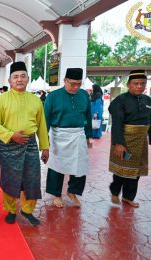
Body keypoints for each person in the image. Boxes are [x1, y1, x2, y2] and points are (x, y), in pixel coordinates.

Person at [0, 62, 49, 226]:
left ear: (28, 79)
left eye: (23, 76)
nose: (19, 79)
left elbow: (42, 125)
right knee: (10, 178)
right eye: (16, 77)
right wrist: (10, 135)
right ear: (10, 80)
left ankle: (27, 210)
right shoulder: (2, 99)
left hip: (29, 144)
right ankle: (10, 210)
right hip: (9, 144)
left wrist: (45, 147)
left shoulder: (35, 100)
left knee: (32, 178)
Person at [108, 70, 151, 208]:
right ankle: (115, 191)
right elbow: (117, 124)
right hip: (125, 139)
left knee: (136, 171)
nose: (139, 86)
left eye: (142, 83)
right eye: (136, 83)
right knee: (122, 170)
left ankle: (128, 197)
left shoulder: (148, 100)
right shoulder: (120, 101)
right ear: (128, 84)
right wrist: (118, 143)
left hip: (141, 141)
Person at [44, 68, 92, 208]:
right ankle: (56, 194)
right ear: (64, 81)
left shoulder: (83, 95)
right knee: (56, 165)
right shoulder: (53, 96)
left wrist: (89, 136)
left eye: (78, 84)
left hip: (78, 134)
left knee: (80, 165)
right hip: (58, 135)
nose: (75, 87)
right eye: (72, 84)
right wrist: (44, 142)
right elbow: (46, 119)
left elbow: (87, 116)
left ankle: (73, 192)